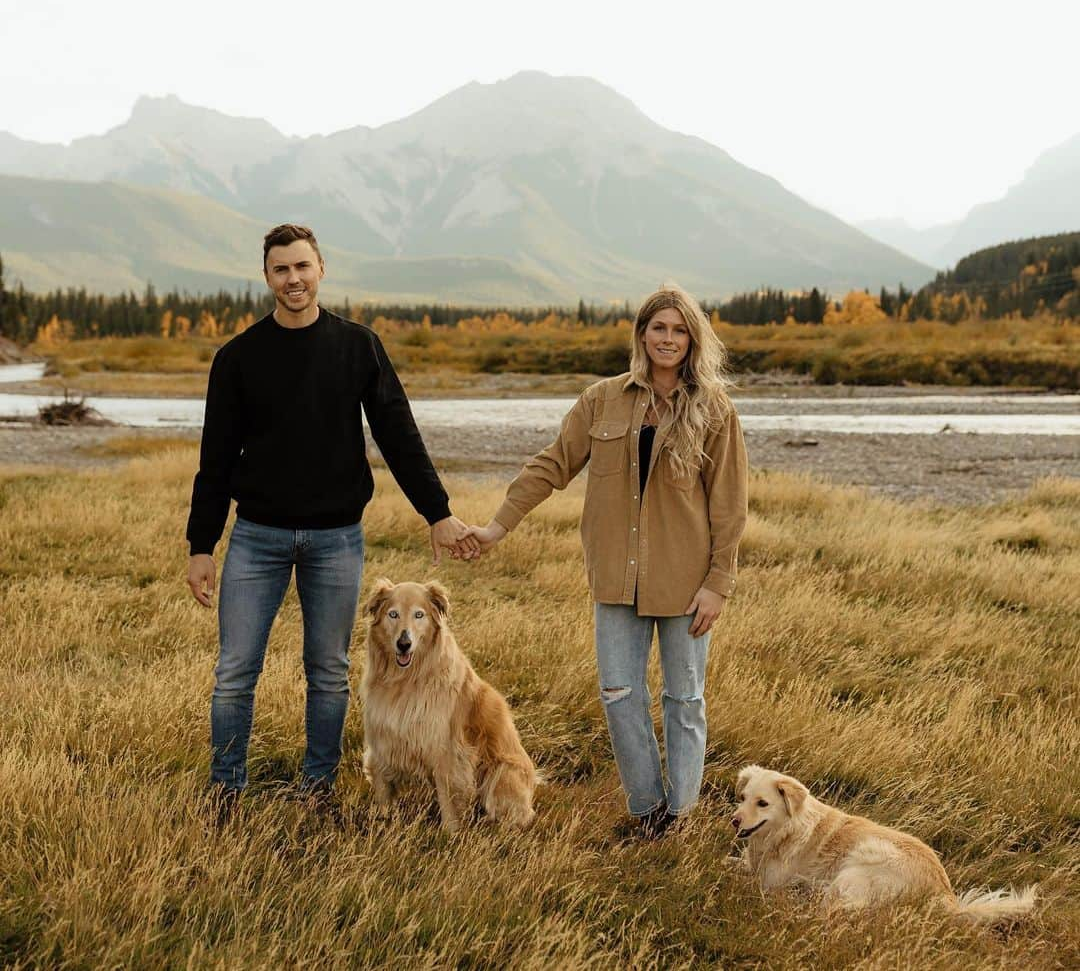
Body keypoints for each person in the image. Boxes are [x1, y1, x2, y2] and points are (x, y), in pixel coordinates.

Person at [185, 223, 477, 807]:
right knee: (236, 671)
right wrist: (202, 545)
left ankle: (317, 788)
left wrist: (438, 512)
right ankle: (226, 791)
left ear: (321, 269)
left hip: (335, 539)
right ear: (266, 276)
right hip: (256, 537)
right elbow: (214, 458)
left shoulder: (358, 347)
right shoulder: (238, 358)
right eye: (280, 269)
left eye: (302, 267)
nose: (293, 279)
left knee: (327, 669)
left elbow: (398, 432)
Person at [467, 283, 748, 836]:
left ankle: (682, 813)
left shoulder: (715, 410)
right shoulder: (602, 399)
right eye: (659, 328)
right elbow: (552, 465)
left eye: (679, 330)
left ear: (693, 340)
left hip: (686, 582)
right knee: (620, 696)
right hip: (615, 580)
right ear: (642, 334)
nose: (668, 339)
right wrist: (497, 526)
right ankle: (648, 813)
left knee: (683, 699)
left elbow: (730, 505)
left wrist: (718, 583)